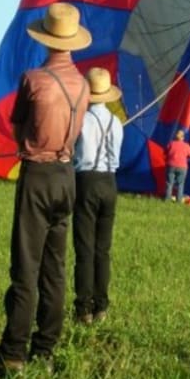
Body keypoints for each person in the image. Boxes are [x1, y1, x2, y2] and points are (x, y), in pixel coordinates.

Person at [0, 2, 91, 377]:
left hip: (36, 174)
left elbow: (18, 128)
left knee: (25, 268)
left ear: (46, 38)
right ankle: (45, 349)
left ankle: (13, 352)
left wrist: (29, 144)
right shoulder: (83, 86)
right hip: (67, 177)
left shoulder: (33, 79)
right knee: (55, 268)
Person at [71, 67, 124, 326]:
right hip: (109, 182)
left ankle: (83, 309)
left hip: (86, 180)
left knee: (84, 249)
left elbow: (73, 151)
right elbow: (117, 156)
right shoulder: (116, 123)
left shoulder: (80, 119)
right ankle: (102, 306)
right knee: (103, 250)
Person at [164, 129, 190, 203]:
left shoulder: (171, 144)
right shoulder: (186, 146)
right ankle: (179, 201)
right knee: (180, 184)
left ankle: (167, 200)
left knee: (169, 183)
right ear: (183, 138)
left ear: (176, 136)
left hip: (171, 166)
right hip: (182, 167)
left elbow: (165, 153)